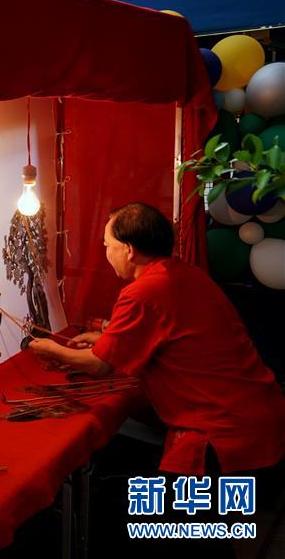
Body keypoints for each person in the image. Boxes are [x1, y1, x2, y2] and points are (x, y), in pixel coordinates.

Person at [30, 202, 285, 476]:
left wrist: (51, 349)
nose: (106, 253)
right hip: (262, 413)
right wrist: (106, 337)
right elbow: (171, 333)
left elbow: (99, 365)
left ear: (128, 250)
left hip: (225, 432)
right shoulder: (184, 273)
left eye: (107, 245)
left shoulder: (144, 291)